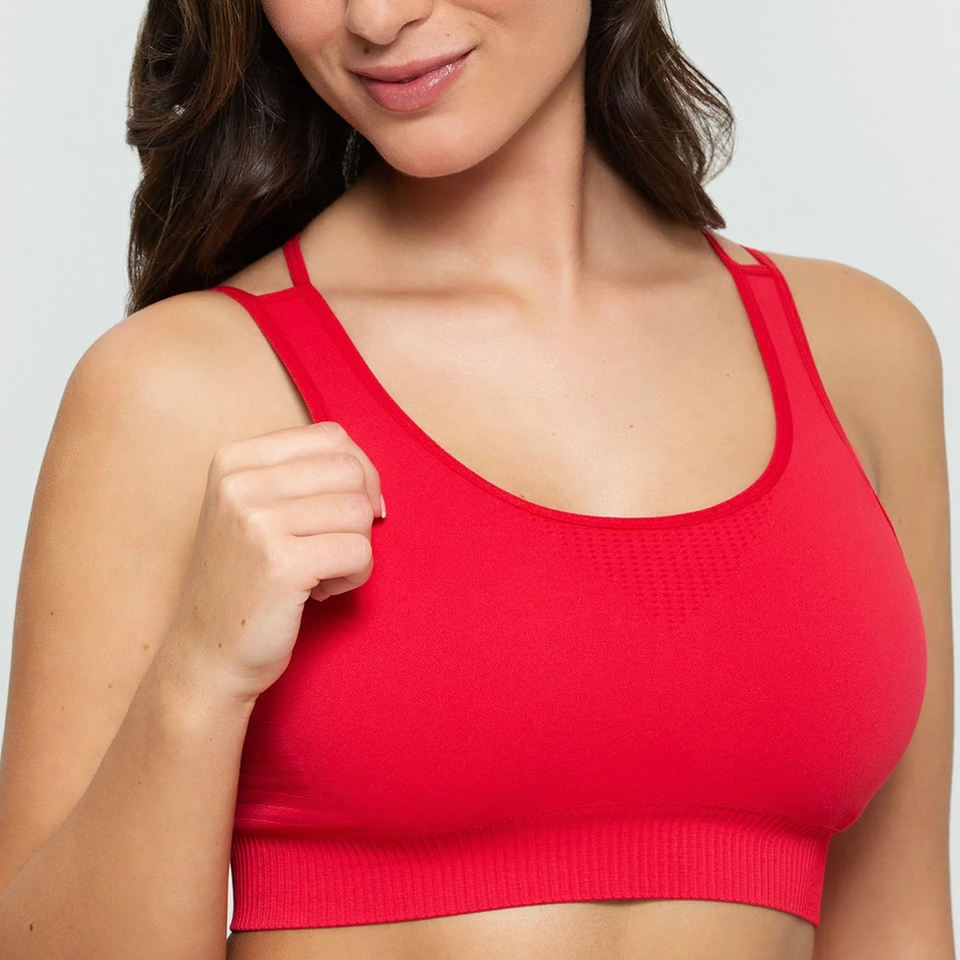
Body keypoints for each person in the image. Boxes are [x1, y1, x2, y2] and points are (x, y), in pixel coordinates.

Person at [0, 0, 953, 958]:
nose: (377, 18)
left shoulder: (860, 355)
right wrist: (199, 677)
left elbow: (894, 926)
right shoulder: (179, 389)